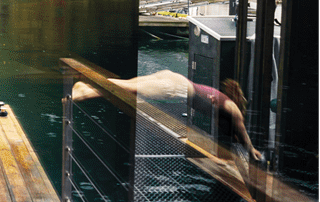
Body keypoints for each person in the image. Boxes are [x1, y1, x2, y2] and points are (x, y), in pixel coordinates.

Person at [71, 70, 262, 161]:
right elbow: (241, 131)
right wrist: (251, 149)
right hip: (178, 88)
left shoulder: (222, 100)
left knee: (130, 85)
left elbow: (233, 132)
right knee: (128, 87)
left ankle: (88, 89)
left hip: (174, 78)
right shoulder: (233, 109)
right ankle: (86, 90)